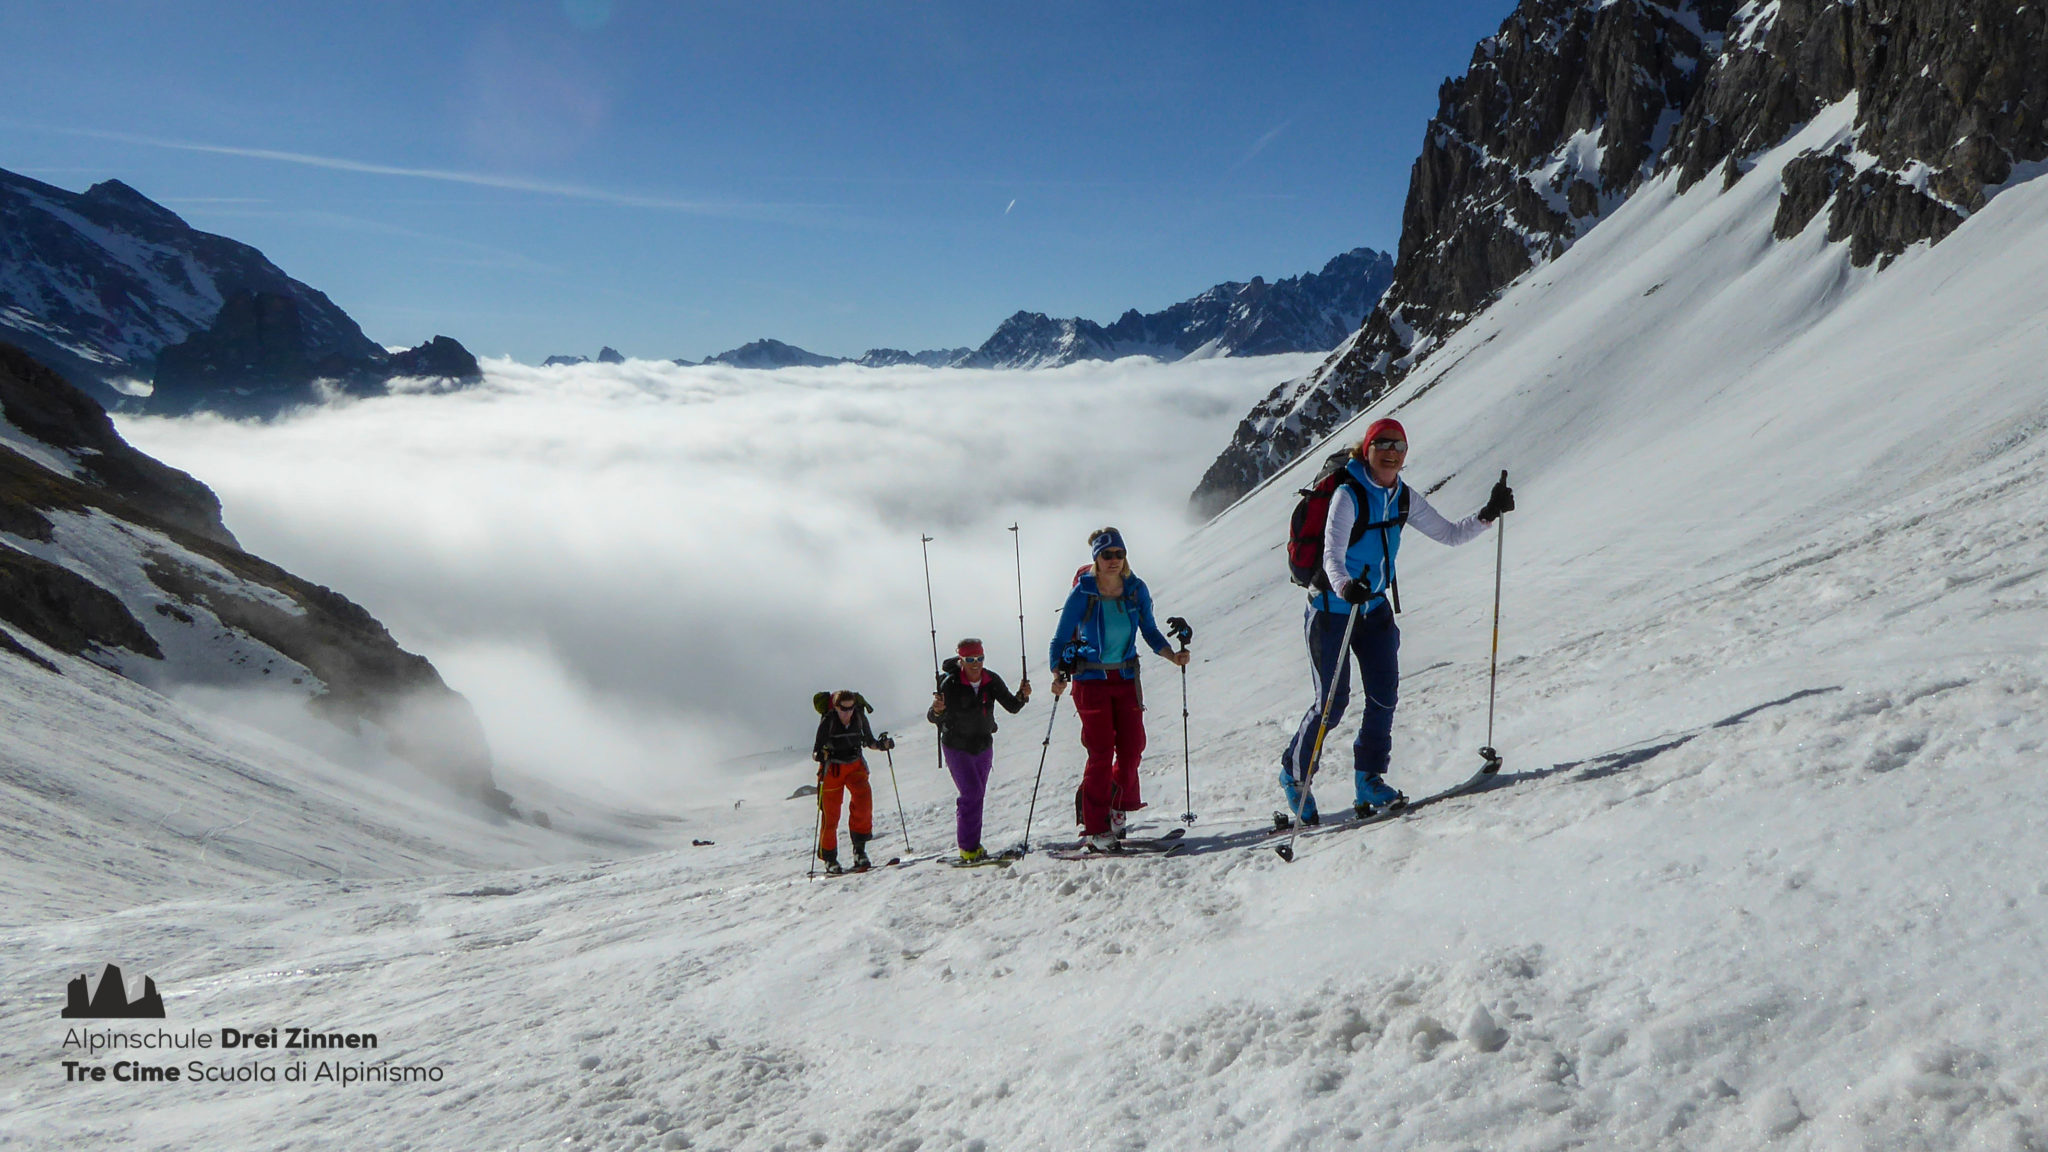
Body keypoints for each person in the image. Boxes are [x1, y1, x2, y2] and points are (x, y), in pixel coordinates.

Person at [1282, 418, 1513, 823]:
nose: (1392, 452)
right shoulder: (1348, 495)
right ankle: (1295, 776)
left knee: (1384, 693)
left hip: (1373, 609)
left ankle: (1368, 778)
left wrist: (1487, 514)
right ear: (1366, 449)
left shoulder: (1403, 498)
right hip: (1331, 611)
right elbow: (1332, 554)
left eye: (1399, 446)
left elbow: (1449, 534)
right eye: (1383, 444)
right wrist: (1344, 585)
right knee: (1331, 704)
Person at [1048, 527, 1192, 851]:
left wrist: (1173, 656)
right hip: (1090, 680)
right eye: (1107, 555)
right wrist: (1058, 673)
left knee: (1132, 748)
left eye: (1119, 554)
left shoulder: (1135, 589)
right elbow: (1059, 639)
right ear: (1096, 559)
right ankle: (1096, 828)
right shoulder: (1083, 592)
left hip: (1126, 678)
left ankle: (1114, 805)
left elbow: (1150, 631)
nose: (1114, 560)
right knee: (1100, 752)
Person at [927, 638, 1031, 862]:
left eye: (980, 658)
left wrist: (1022, 696)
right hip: (957, 745)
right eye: (970, 659)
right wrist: (937, 710)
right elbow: (934, 717)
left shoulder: (991, 680)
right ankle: (968, 848)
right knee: (972, 794)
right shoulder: (950, 684)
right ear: (961, 660)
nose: (976, 663)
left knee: (976, 796)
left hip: (983, 745)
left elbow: (1012, 706)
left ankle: (973, 845)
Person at [812, 689, 894, 873]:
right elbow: (816, 751)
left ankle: (860, 851)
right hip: (833, 769)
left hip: (855, 766)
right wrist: (821, 755)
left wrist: (883, 745)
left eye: (851, 708)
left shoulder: (859, 717)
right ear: (836, 707)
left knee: (864, 805)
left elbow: (869, 741)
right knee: (830, 815)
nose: (847, 712)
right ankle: (830, 858)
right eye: (843, 709)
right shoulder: (829, 721)